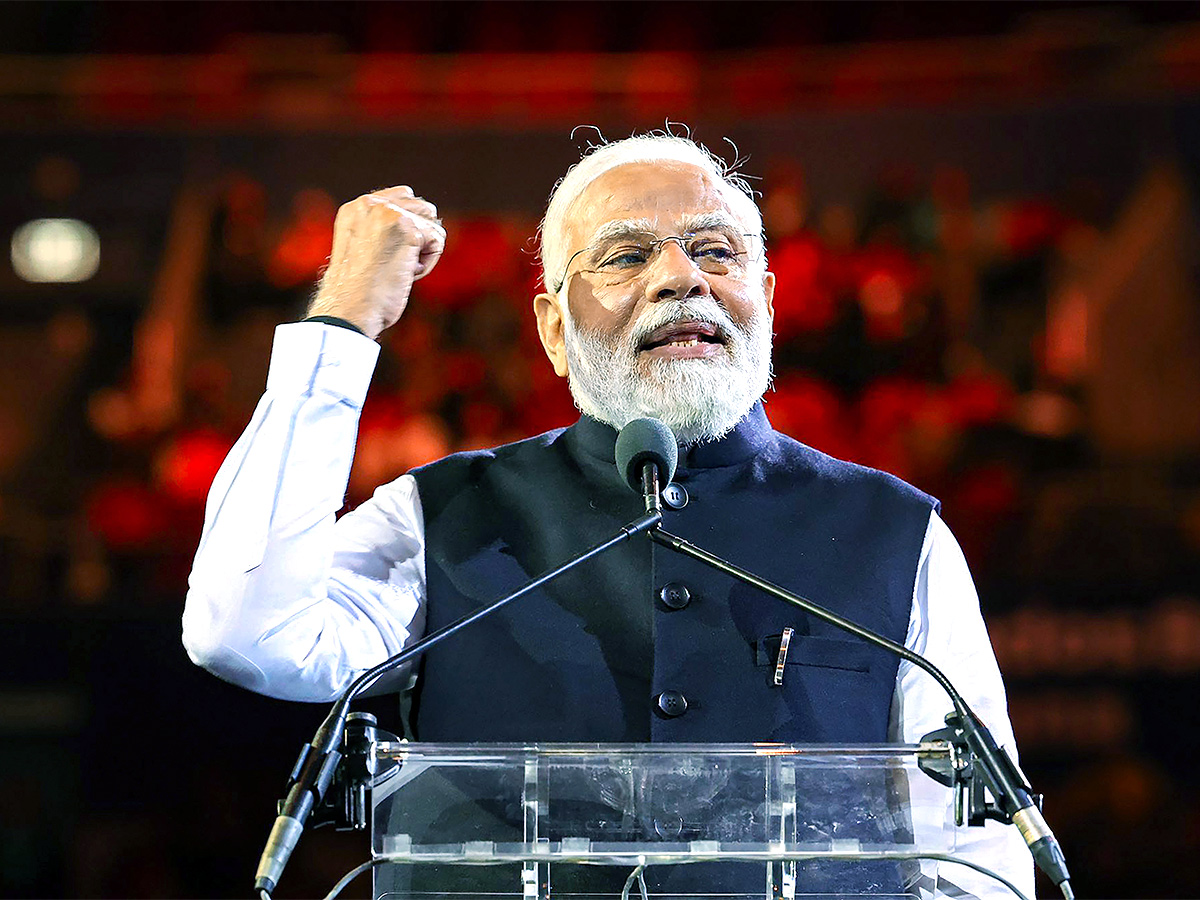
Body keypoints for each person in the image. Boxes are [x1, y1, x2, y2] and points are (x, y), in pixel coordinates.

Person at [182, 133, 1033, 897]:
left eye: (714, 251)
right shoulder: (440, 516)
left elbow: (978, 860)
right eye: (625, 256)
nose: (680, 277)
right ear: (553, 329)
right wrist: (345, 319)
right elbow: (246, 632)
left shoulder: (896, 533)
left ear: (766, 301)